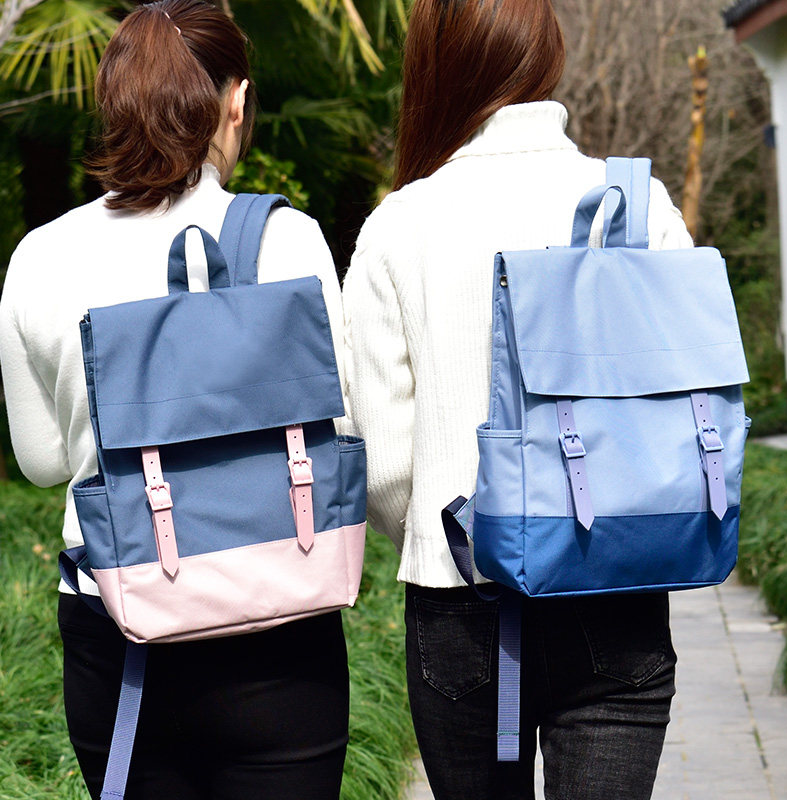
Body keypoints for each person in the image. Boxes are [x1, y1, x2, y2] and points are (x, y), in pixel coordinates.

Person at [342, 0, 694, 798]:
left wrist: (446, 527)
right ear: (548, 54)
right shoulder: (638, 204)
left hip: (462, 592)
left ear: (438, 65)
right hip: (618, 580)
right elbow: (689, 406)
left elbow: (384, 465)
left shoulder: (402, 222)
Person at [0, 2, 349, 798]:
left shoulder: (41, 255)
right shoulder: (287, 238)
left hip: (120, 627)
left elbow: (44, 462)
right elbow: (340, 423)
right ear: (237, 101)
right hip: (278, 617)